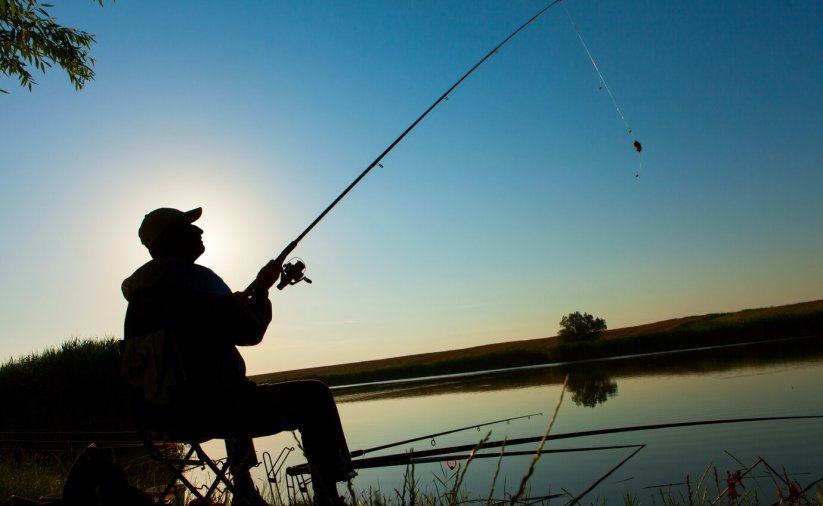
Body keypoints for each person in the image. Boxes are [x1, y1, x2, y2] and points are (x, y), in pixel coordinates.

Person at [121, 207, 354, 506]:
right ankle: (328, 497)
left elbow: (193, 337)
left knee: (228, 385)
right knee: (315, 396)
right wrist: (261, 291)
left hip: (161, 420)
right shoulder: (199, 282)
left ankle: (244, 489)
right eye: (189, 227)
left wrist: (230, 304)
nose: (199, 231)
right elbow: (250, 332)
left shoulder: (139, 300)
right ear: (171, 238)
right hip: (214, 412)